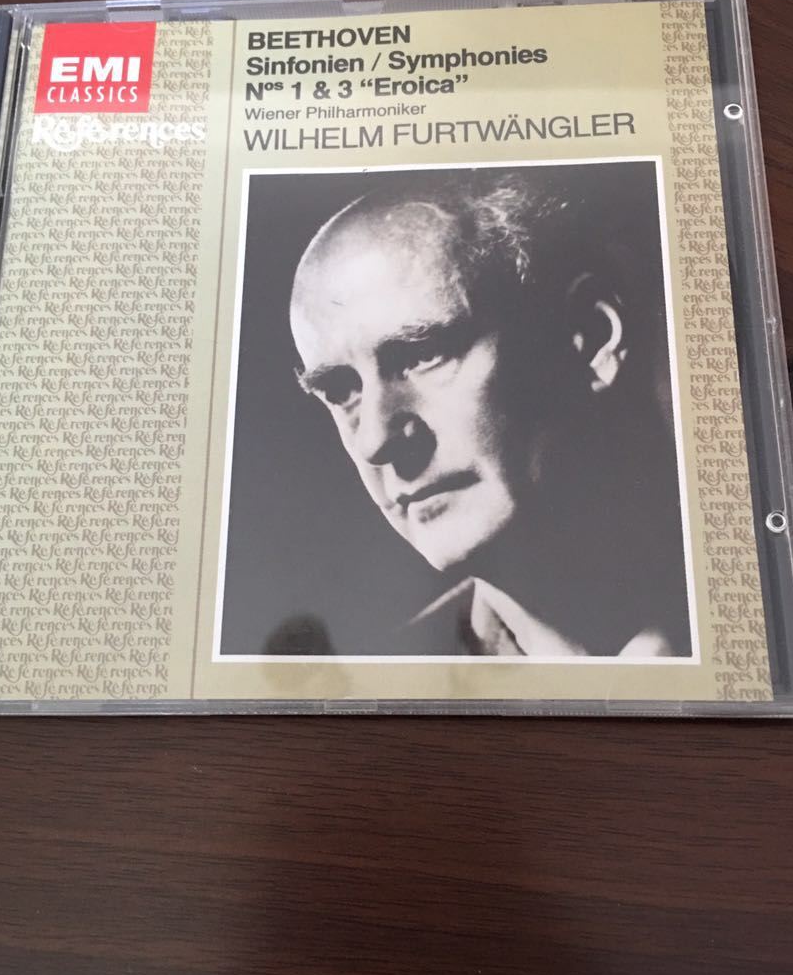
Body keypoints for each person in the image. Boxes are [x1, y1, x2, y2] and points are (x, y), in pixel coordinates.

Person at [288, 168, 690, 658]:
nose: (375, 440)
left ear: (590, 339)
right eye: (340, 391)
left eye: (423, 354)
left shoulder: (754, 597)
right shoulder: (368, 690)